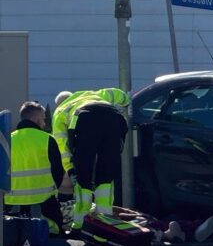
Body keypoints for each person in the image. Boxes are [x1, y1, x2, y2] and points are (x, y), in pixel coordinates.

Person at [53, 88, 130, 230]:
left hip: (85, 119)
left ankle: (80, 223)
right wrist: (126, 101)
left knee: (83, 174)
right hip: (114, 118)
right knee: (106, 173)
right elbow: (121, 95)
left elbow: (61, 146)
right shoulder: (96, 94)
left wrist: (70, 169)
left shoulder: (60, 111)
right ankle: (105, 219)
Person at [4, 101, 65, 235]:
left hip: (12, 206)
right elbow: (58, 172)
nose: (44, 123)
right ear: (36, 119)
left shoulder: (8, 140)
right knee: (56, 233)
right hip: (45, 207)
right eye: (43, 119)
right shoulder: (48, 139)